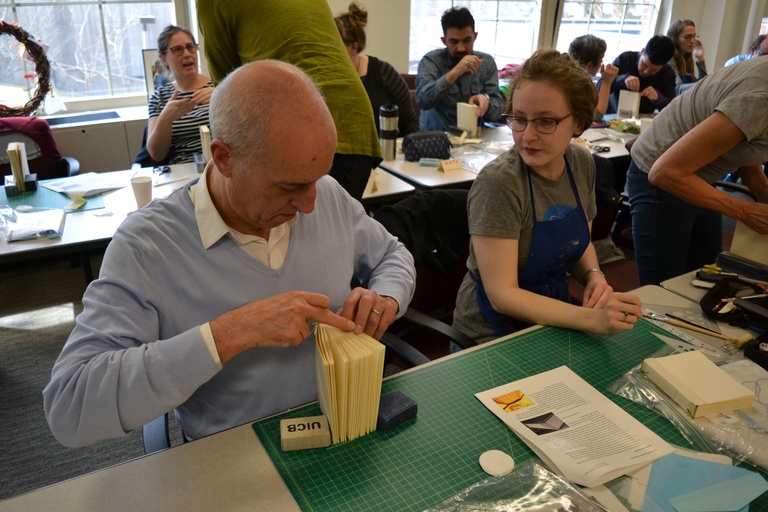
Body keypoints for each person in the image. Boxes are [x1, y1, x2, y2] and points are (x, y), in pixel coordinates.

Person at [43, 61, 416, 447]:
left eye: (318, 177)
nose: (310, 205)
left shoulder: (329, 197)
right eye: (290, 185)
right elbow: (70, 407)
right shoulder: (147, 246)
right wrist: (227, 334)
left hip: (346, 427)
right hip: (233, 454)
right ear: (223, 158)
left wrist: (386, 296)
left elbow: (393, 255)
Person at [452, 50, 643, 344]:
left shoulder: (580, 163)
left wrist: (594, 276)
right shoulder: (500, 183)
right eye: (519, 119)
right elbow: (503, 295)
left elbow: (580, 245)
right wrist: (591, 318)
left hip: (552, 314)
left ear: (578, 123)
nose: (527, 136)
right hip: (490, 334)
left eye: (545, 122)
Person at [196, 0, 381, 202]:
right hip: (357, 122)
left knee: (290, 227)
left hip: (300, 126)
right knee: (333, 228)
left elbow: (227, 87)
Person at [627, 56, 768, 285]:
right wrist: (747, 211)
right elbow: (663, 172)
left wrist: (762, 190)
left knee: (703, 277)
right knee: (665, 289)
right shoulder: (758, 101)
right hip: (660, 175)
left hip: (695, 174)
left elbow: (743, 141)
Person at [415, 6, 505, 132]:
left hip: (475, 140)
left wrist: (487, 104)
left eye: (467, 40)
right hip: (438, 139)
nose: (461, 48)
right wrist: (455, 72)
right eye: (454, 42)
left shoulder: (486, 63)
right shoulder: (431, 61)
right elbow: (423, 101)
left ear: (475, 36)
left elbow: (497, 113)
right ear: (444, 40)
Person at [335, 2, 419, 137]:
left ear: (354, 47)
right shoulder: (326, 75)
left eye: (337, 48)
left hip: (384, 154)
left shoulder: (383, 72)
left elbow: (410, 125)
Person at [146, 25, 213, 165]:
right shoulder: (159, 97)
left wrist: (220, 96)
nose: (187, 54)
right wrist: (166, 118)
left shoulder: (218, 86)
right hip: (181, 172)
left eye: (190, 47)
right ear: (163, 59)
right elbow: (156, 155)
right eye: (177, 50)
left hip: (220, 166)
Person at [600, 35, 676, 115]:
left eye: (653, 70)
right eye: (644, 64)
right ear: (642, 51)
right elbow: (599, 87)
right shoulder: (626, 59)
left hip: (642, 120)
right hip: (612, 116)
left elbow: (673, 109)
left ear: (663, 66)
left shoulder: (668, 73)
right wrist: (621, 80)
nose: (646, 72)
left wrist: (659, 98)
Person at [568, 34, 619, 122]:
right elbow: (596, 116)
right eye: (601, 60)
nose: (602, 63)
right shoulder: (577, 83)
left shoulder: (566, 75)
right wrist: (607, 82)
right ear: (590, 65)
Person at [667, 19, 707, 95]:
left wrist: (700, 59)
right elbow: (678, 89)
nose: (692, 41)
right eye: (688, 36)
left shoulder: (685, 60)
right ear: (675, 39)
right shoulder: (669, 58)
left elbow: (700, 88)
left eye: (694, 36)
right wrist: (707, 84)